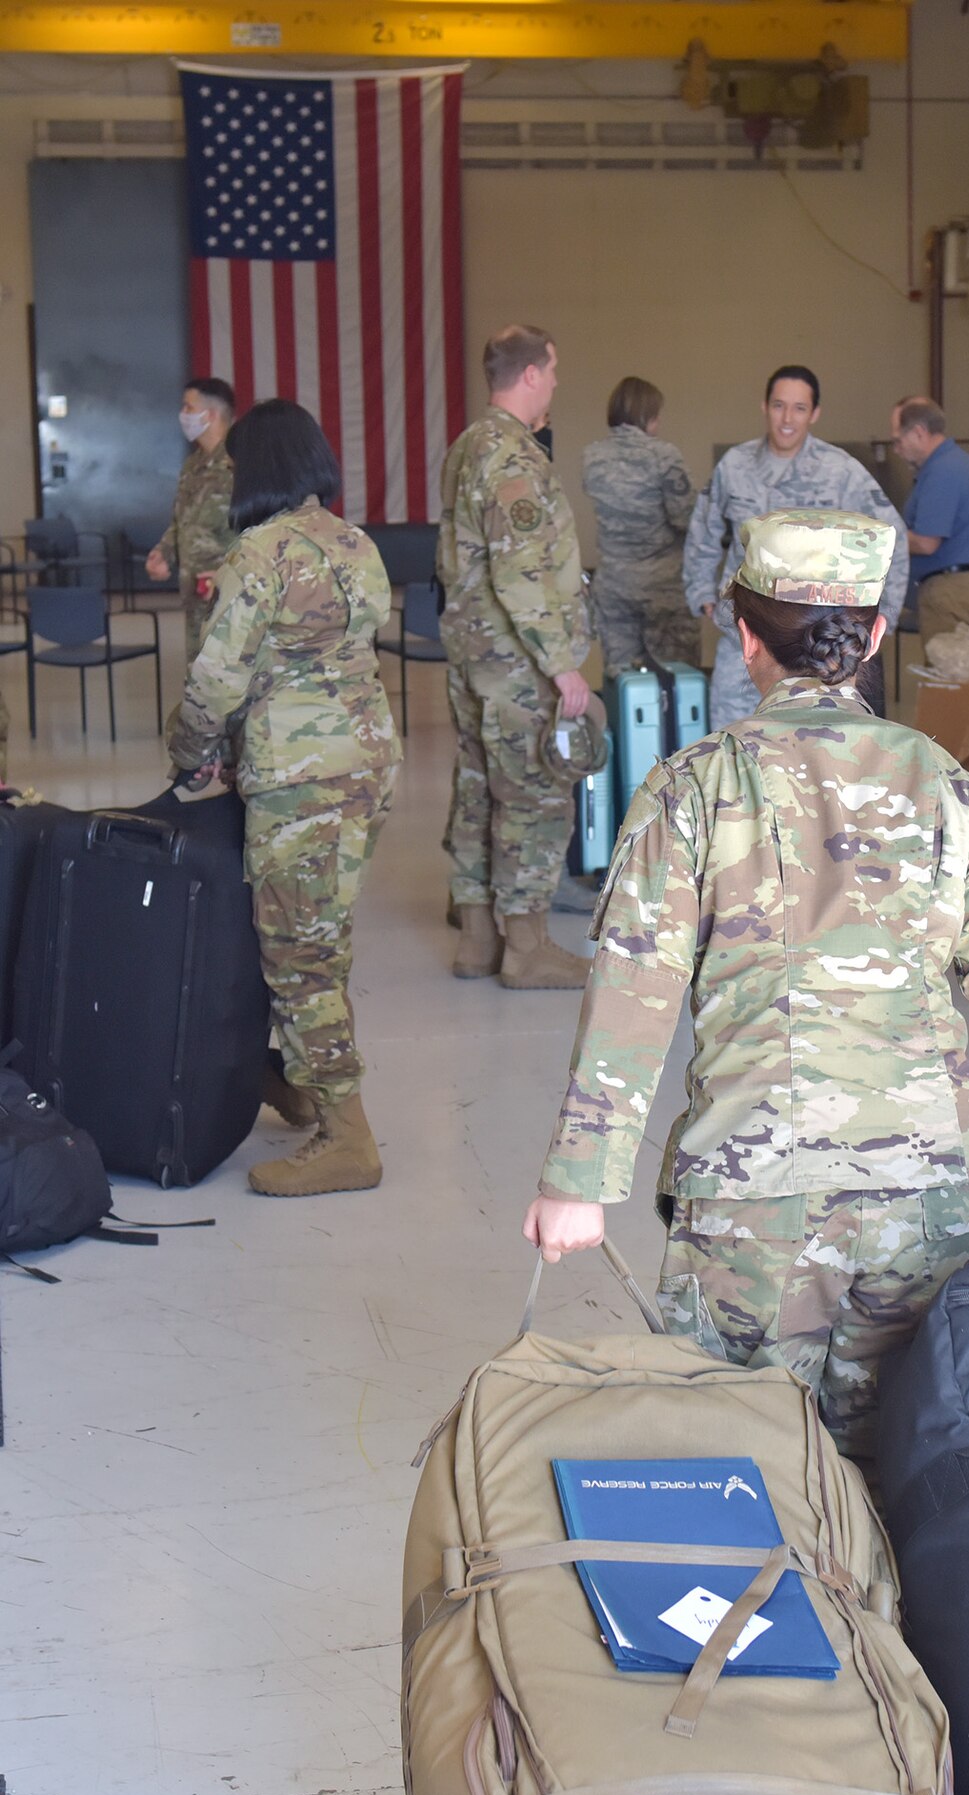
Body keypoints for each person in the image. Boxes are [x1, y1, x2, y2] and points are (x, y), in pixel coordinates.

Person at [523, 509, 969, 1464]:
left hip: (750, 1207)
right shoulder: (956, 794)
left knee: (739, 1480)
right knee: (926, 1480)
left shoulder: (694, 791)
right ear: (877, 635)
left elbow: (636, 990)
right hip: (929, 1210)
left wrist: (579, 1183)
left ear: (743, 636)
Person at [167, 398, 401, 1197]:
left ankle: (347, 1138)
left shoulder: (259, 552)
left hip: (299, 779)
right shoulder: (356, 544)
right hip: (365, 767)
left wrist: (189, 754)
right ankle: (306, 1089)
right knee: (318, 935)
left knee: (299, 953)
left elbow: (217, 677)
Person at [437, 324, 594, 988]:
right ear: (530, 374)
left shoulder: (467, 447)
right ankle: (525, 947)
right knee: (533, 795)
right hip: (516, 665)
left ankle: (477, 940)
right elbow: (521, 574)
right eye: (552, 370)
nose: (556, 382)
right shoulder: (514, 460)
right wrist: (563, 668)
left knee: (478, 790)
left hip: (472, 655)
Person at [683, 366, 909, 728]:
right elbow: (704, 530)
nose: (787, 419)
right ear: (764, 407)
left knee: (817, 748)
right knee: (734, 737)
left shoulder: (840, 471)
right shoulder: (736, 466)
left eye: (799, 408)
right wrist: (701, 593)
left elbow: (892, 534)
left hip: (818, 645)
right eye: (779, 406)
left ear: (814, 413)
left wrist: (883, 615)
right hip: (745, 637)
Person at [583, 377, 701, 671]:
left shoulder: (592, 457)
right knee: (676, 682)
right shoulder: (664, 456)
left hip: (613, 587)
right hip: (663, 589)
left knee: (623, 680)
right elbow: (686, 518)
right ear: (647, 415)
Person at [891, 396, 969, 642]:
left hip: (951, 592)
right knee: (965, 673)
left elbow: (927, 542)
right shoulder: (959, 462)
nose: (897, 450)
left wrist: (881, 538)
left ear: (919, 432)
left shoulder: (942, 471)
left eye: (898, 441)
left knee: (946, 677)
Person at [148, 377, 238, 664]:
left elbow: (261, 526)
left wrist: (233, 577)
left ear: (210, 414)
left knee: (230, 678)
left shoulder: (242, 461)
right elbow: (181, 521)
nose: (183, 415)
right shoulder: (193, 465)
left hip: (232, 597)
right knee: (199, 675)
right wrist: (163, 552)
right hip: (195, 595)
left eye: (188, 407)